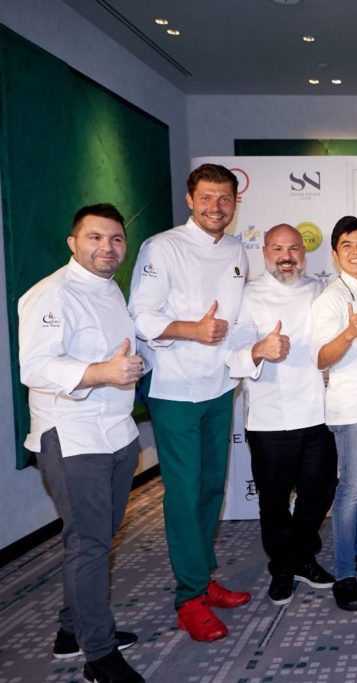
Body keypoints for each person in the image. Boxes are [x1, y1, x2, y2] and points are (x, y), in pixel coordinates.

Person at [19, 204, 144, 683]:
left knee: (97, 538)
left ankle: (72, 631)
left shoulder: (111, 289)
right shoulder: (51, 294)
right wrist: (102, 373)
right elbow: (35, 367)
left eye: (116, 239)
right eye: (95, 237)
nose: (107, 248)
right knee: (89, 544)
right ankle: (99, 655)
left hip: (116, 431)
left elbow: (119, 356)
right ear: (73, 243)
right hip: (72, 435)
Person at [129, 163, 251, 642]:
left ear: (235, 203)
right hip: (175, 388)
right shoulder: (162, 247)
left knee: (210, 488)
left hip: (219, 386)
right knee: (183, 493)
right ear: (189, 199)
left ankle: (202, 576)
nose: (216, 207)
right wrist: (191, 330)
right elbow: (140, 316)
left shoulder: (238, 250)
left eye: (224, 199)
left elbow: (237, 320)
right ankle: (189, 597)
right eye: (207, 197)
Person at [227, 224, 337, 607]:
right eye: (277, 248)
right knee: (273, 502)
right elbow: (233, 355)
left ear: (303, 254)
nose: (286, 256)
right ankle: (282, 568)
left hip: (317, 415)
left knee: (318, 494)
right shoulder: (247, 295)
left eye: (293, 248)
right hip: (269, 420)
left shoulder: (319, 290)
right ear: (265, 253)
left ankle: (301, 556)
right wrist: (260, 349)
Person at [311, 217, 357, 611]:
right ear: (335, 254)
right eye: (347, 245)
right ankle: (344, 575)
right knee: (352, 488)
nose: (356, 251)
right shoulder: (330, 299)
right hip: (353, 408)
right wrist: (348, 334)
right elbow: (322, 357)